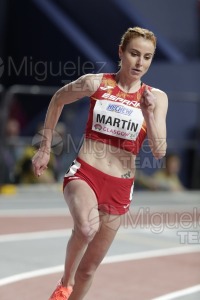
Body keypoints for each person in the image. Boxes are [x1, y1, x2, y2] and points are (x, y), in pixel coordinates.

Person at [32, 26, 168, 300]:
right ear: (121, 52)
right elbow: (58, 98)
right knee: (85, 227)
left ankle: (74, 287)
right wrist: (45, 147)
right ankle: (64, 284)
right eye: (134, 54)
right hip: (86, 173)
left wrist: (150, 114)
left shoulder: (157, 98)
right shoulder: (96, 83)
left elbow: (159, 151)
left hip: (120, 187)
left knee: (89, 269)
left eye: (147, 57)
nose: (140, 63)